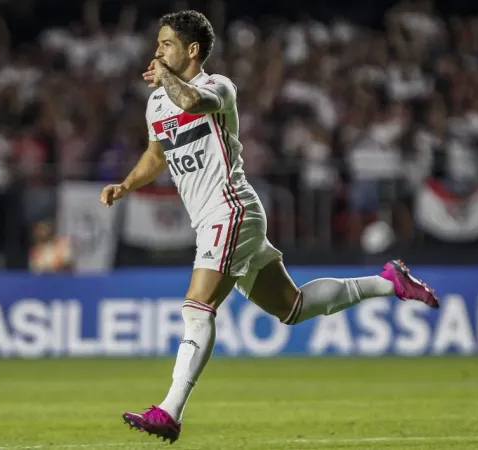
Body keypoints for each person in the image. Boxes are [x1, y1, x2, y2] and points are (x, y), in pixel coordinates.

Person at [100, 10, 439, 444]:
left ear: (192, 50)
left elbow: (189, 102)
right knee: (292, 308)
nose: (157, 51)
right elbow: (156, 156)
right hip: (210, 219)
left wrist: (165, 75)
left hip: (231, 208)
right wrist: (125, 185)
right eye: (157, 44)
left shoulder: (217, 87)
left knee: (196, 307)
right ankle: (389, 281)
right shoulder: (155, 102)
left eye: (165, 44)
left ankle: (169, 410)